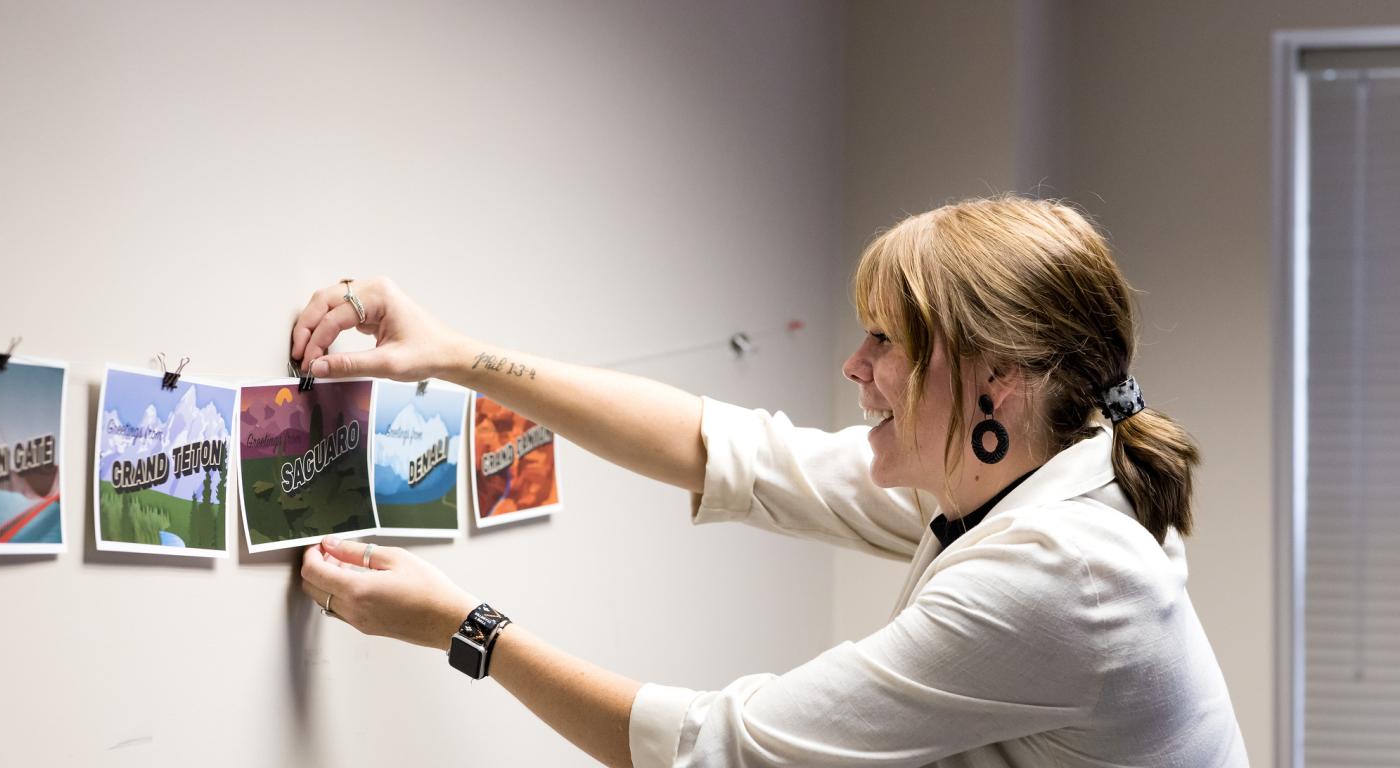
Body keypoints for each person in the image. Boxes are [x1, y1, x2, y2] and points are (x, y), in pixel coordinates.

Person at [293, 195, 1249, 767]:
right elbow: (726, 451)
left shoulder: (1057, 576)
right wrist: (459, 355)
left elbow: (724, 750)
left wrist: (469, 630)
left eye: (888, 340)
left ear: (994, 376)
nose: (855, 365)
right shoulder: (1024, 462)